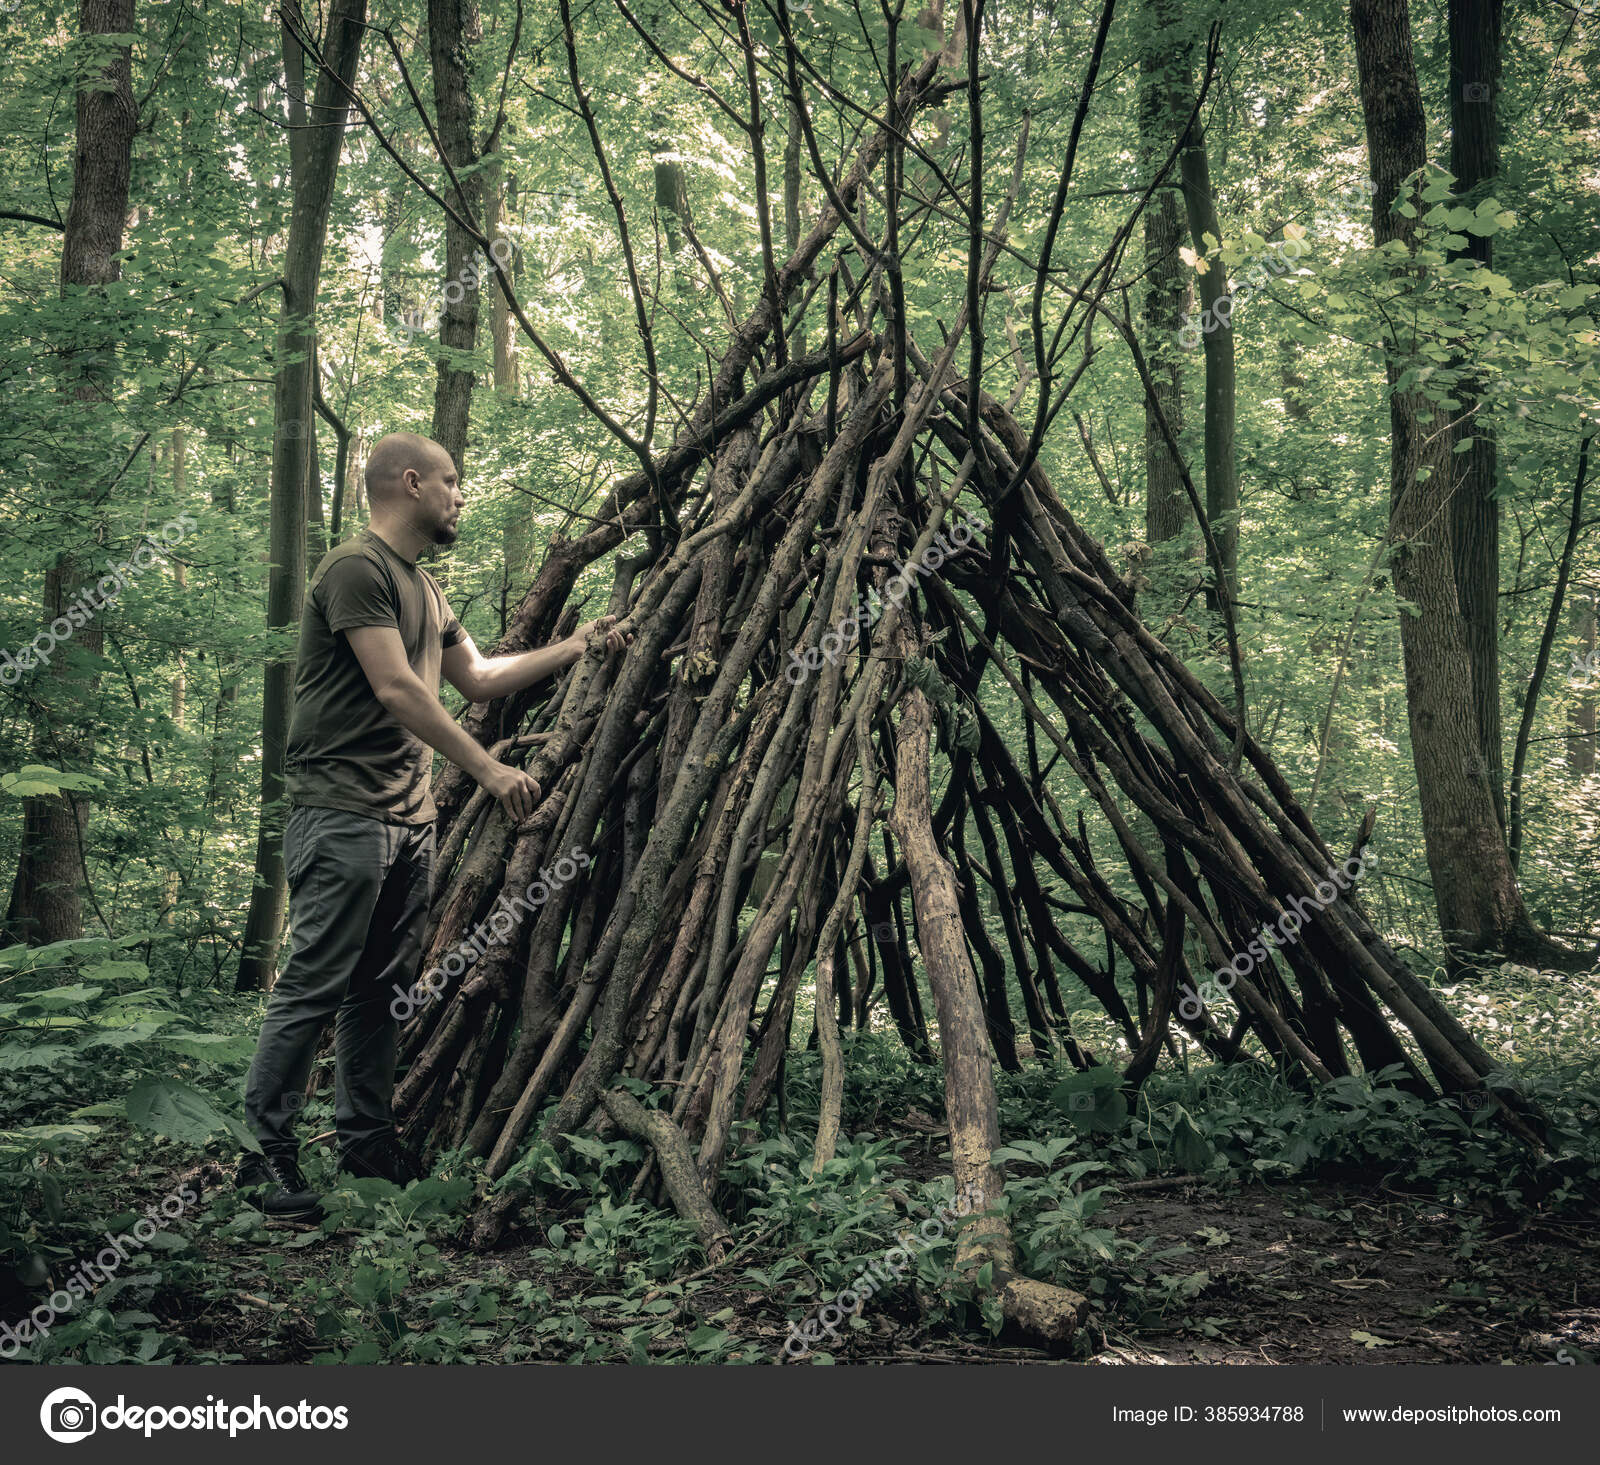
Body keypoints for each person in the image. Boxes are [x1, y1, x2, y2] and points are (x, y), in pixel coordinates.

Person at [236, 431, 629, 1218]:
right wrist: (485, 770)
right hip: (342, 811)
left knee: (380, 991)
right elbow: (396, 689)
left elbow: (478, 680)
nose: (461, 494)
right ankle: (263, 1156)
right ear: (411, 483)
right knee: (314, 984)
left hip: (408, 820)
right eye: (452, 481)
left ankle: (365, 1141)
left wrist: (575, 646)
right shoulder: (356, 569)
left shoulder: (428, 590)